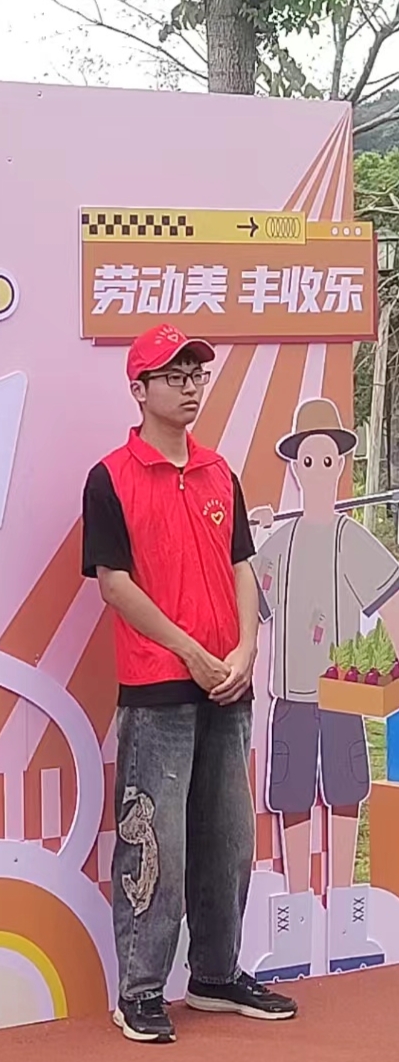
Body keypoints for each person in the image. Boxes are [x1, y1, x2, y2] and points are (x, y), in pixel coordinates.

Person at [81, 323, 296, 1044]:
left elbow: (242, 565)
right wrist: (191, 652)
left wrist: (245, 647)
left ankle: (215, 975)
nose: (189, 388)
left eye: (196, 375)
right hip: (158, 689)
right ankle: (140, 990)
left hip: (227, 685)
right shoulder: (110, 477)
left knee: (228, 838)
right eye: (173, 377)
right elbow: (115, 584)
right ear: (139, 388)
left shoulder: (217, 472)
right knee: (155, 844)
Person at [250, 398, 399, 979]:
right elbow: (247, 600)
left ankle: (345, 929)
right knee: (292, 800)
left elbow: (390, 604)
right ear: (295, 467)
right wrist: (251, 539)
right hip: (290, 697)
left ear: (340, 466)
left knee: (344, 795)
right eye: (306, 461)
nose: (315, 470)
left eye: (325, 460)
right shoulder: (280, 543)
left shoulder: (350, 538)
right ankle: (293, 936)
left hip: (341, 695)